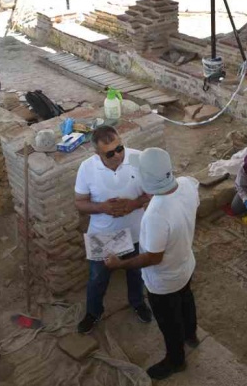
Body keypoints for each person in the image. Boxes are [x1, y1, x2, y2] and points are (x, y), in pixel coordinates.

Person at [105, 148, 199, 381]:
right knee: (186, 299)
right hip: (186, 264)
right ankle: (191, 335)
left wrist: (120, 264)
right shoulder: (187, 184)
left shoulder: (156, 215)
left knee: (169, 321)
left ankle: (176, 360)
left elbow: (152, 257)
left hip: (164, 280)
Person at [74, 126, 153, 334]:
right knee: (98, 277)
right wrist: (102, 208)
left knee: (136, 272)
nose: (118, 155)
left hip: (136, 230)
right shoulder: (87, 168)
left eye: (120, 148)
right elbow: (80, 203)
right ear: (97, 153)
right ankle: (93, 312)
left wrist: (133, 205)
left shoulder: (137, 158)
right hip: (104, 234)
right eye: (110, 153)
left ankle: (138, 303)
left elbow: (152, 193)